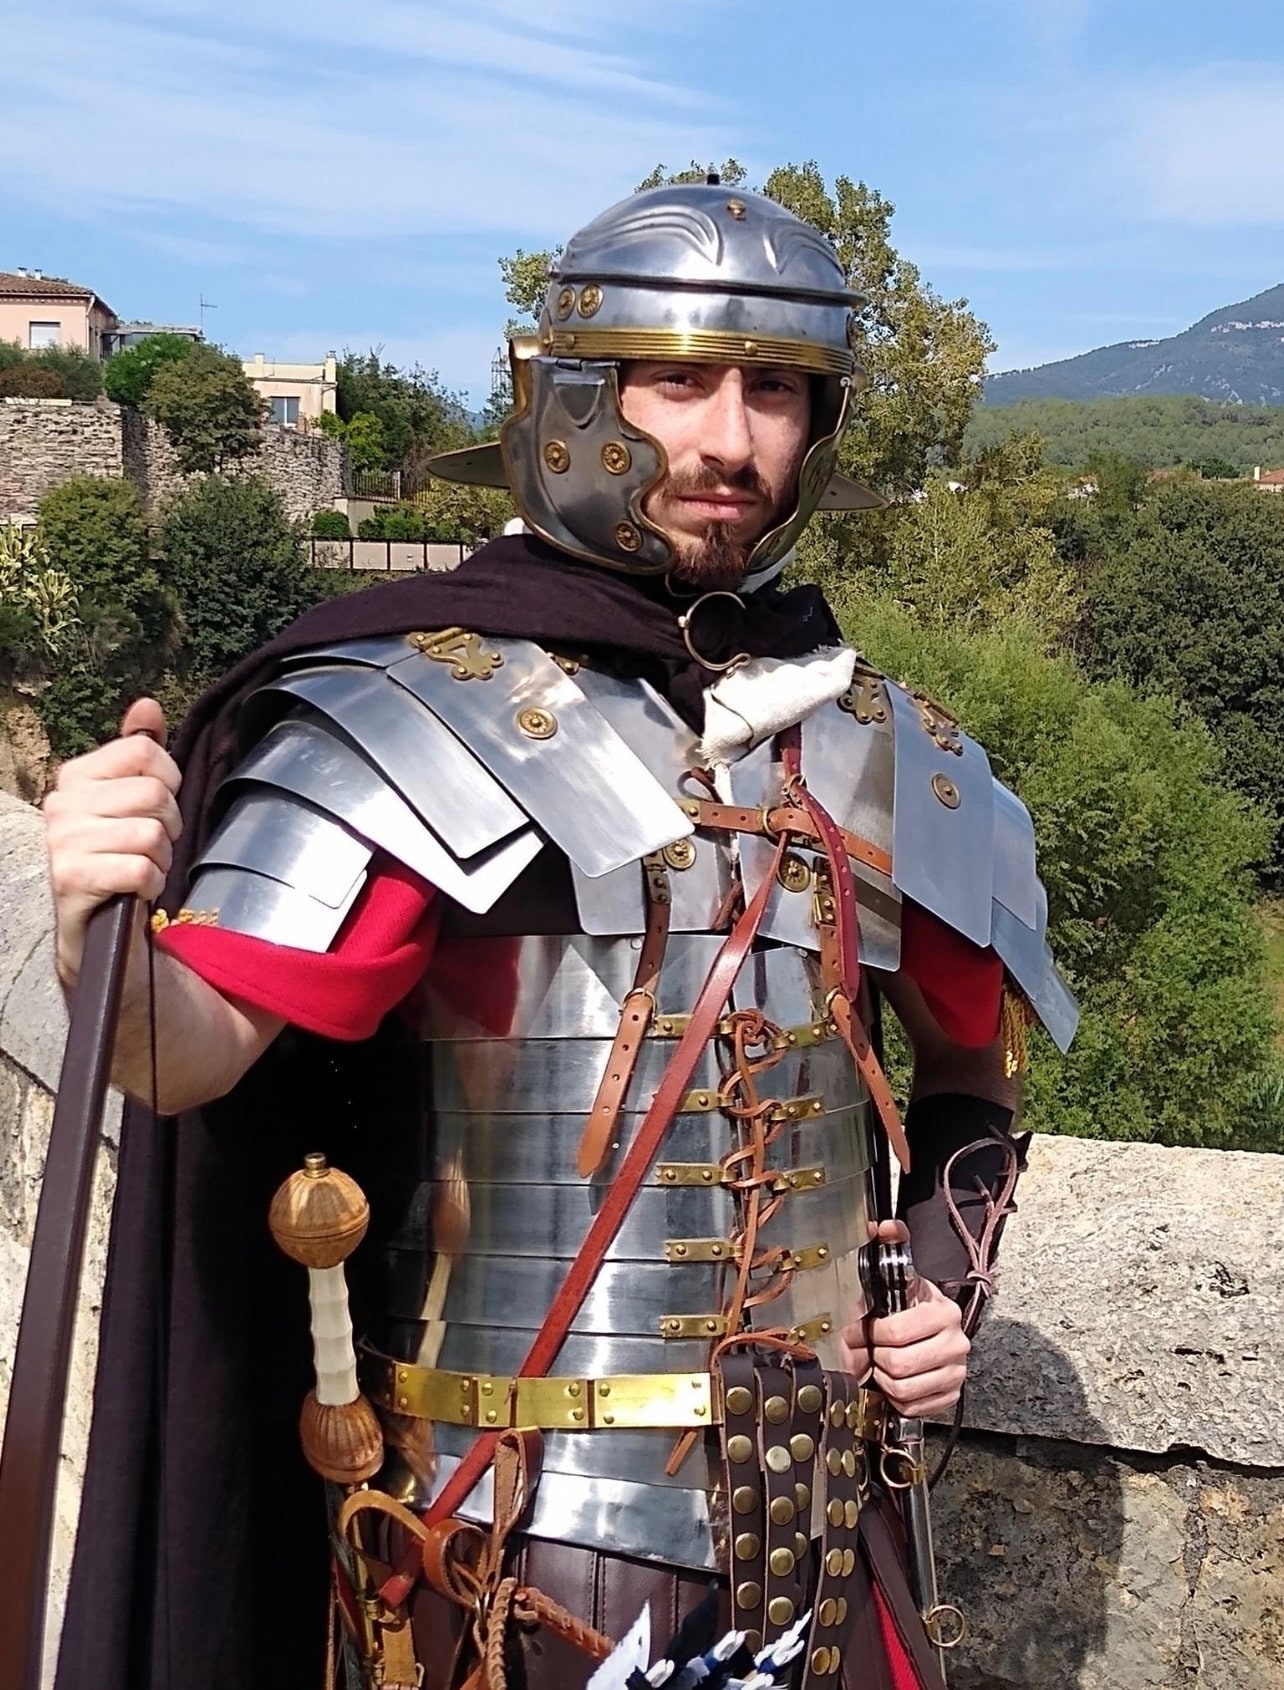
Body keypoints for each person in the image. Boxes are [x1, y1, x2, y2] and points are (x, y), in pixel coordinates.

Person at [44, 181, 1076, 1690]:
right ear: (576, 397)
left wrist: (930, 1282)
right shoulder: (410, 713)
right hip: (510, 1547)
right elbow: (189, 1052)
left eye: (775, 389)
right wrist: (97, 936)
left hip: (830, 1533)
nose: (729, 439)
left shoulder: (887, 752)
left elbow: (976, 1078)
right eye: (677, 380)